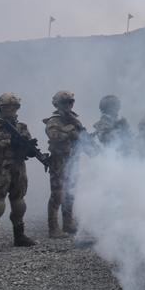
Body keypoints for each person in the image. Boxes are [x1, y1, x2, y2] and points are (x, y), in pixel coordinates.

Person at [0, 93, 42, 251]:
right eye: (7, 107)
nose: (11, 110)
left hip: (19, 168)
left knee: (19, 202)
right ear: (0, 109)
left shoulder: (21, 127)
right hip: (2, 169)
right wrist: (7, 142)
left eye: (14, 107)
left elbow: (27, 146)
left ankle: (19, 236)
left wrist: (29, 150)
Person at [43, 90, 87, 237]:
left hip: (72, 160)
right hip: (59, 161)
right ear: (57, 104)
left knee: (70, 192)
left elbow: (82, 136)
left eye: (71, 102)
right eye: (65, 102)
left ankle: (68, 223)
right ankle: (53, 228)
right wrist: (69, 132)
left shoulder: (73, 119)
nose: (69, 105)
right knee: (57, 194)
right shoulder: (54, 120)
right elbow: (53, 136)